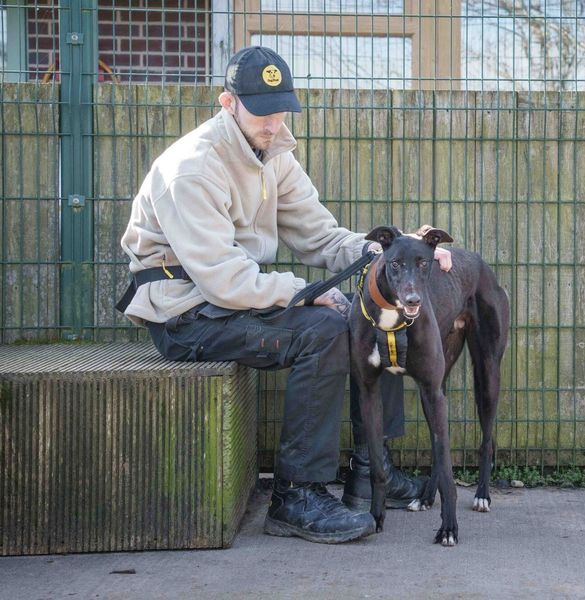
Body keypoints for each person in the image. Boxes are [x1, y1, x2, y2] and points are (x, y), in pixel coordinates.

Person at [119, 46, 451, 544]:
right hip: (186, 313)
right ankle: (295, 496)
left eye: (281, 110)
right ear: (227, 103)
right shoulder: (192, 168)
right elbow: (221, 279)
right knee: (326, 330)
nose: (273, 124)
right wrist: (305, 292)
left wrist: (395, 254)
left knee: (373, 315)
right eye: (261, 112)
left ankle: (371, 472)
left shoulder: (273, 154)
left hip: (229, 297)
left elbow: (321, 235)